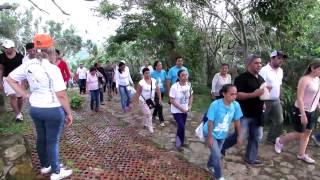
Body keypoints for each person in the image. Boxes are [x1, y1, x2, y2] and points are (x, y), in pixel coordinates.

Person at [6, 34, 73, 180]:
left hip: (35, 108)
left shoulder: (28, 64)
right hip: (52, 109)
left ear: (36, 48)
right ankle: (56, 172)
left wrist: (25, 95)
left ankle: (45, 166)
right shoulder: (52, 68)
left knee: (41, 138)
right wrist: (69, 113)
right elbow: (61, 95)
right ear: (51, 49)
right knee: (53, 141)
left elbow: (10, 79)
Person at [221, 54, 265, 166]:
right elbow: (237, 95)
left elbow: (262, 94)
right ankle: (221, 146)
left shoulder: (261, 79)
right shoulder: (241, 79)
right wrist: (254, 94)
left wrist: (263, 103)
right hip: (243, 114)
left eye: (260, 63)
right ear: (249, 64)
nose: (259, 65)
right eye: (256, 63)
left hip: (258, 114)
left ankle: (250, 158)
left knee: (255, 137)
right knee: (238, 136)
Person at [275, 60, 320, 164]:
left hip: (312, 111)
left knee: (307, 133)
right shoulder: (304, 80)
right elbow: (299, 98)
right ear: (313, 68)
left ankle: (301, 154)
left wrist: (318, 105)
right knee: (299, 133)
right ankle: (280, 141)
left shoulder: (317, 80)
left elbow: (316, 95)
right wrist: (303, 114)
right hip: (300, 110)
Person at [203, 84, 242, 180]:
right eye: (231, 94)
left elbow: (237, 122)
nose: (234, 97)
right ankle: (219, 176)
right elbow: (210, 121)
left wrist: (239, 135)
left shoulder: (236, 105)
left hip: (222, 134)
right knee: (217, 154)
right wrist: (210, 137)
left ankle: (209, 165)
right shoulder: (215, 104)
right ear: (224, 94)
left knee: (216, 153)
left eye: (235, 94)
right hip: (210, 132)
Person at [259, 50, 287, 144]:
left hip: (276, 100)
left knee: (279, 120)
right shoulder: (264, 70)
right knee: (260, 120)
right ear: (272, 58)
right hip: (265, 100)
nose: (281, 60)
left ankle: (271, 138)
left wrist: (280, 98)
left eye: (282, 59)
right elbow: (260, 85)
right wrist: (261, 102)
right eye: (279, 58)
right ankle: (251, 136)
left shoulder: (281, 71)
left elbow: (279, 85)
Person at [0, 39, 24, 122]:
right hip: (7, 78)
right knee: (12, 96)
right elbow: (1, 69)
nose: (6, 49)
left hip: (18, 79)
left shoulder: (20, 57)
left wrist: (24, 81)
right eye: (5, 48)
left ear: (13, 48)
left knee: (20, 97)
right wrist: (0, 81)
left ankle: (19, 111)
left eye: (8, 48)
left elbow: (23, 70)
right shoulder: (1, 57)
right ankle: (18, 114)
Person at [169, 69, 193, 150]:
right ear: (178, 77)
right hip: (176, 110)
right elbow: (171, 100)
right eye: (183, 75)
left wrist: (190, 105)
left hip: (185, 110)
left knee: (182, 127)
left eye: (186, 75)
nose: (185, 77)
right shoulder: (174, 87)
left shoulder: (189, 85)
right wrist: (181, 108)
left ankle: (181, 141)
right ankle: (178, 144)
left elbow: (191, 96)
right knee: (181, 126)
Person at [135, 68, 162, 133]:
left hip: (151, 101)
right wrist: (136, 102)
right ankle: (150, 127)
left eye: (148, 73)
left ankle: (145, 123)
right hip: (143, 100)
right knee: (149, 114)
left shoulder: (154, 80)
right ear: (143, 74)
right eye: (146, 73)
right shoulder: (141, 82)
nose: (147, 74)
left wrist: (160, 99)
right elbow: (138, 93)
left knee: (147, 113)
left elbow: (158, 90)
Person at [151, 61, 167, 127]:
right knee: (160, 105)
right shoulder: (152, 73)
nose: (161, 66)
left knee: (157, 104)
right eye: (159, 65)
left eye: (161, 65)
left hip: (162, 91)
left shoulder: (163, 72)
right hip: (155, 92)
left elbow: (166, 80)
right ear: (155, 66)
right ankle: (162, 120)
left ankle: (154, 115)